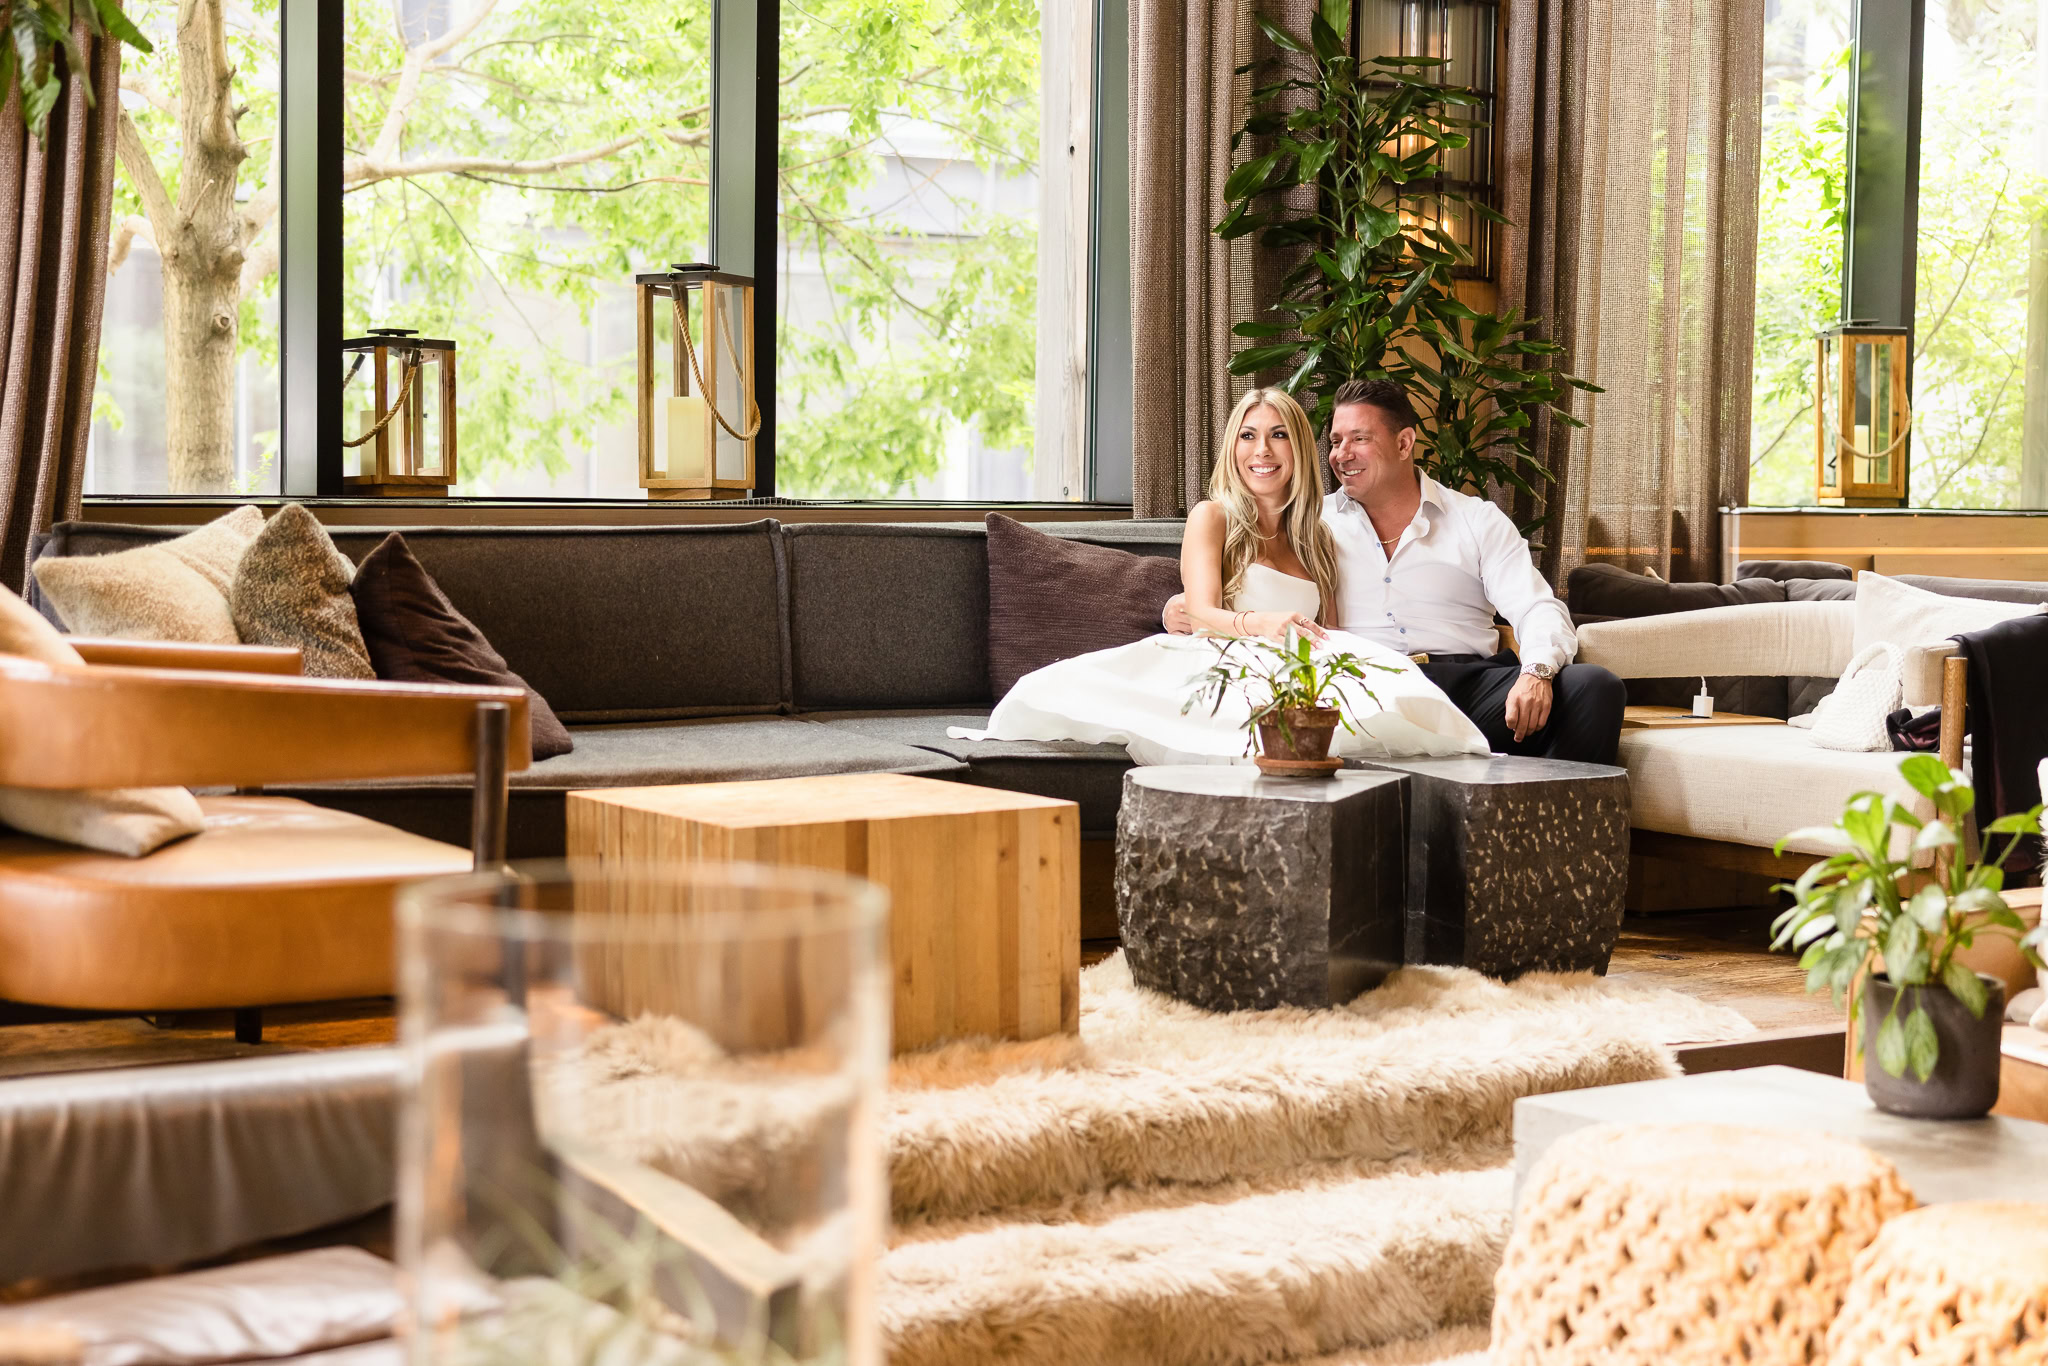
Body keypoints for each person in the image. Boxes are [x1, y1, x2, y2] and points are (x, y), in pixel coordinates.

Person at [948, 388, 1488, 765]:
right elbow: (1201, 610)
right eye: (1248, 436)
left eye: (1278, 436)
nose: (1262, 451)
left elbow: (1334, 631)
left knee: (1382, 708)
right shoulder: (1213, 516)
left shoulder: (1320, 536)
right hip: (1227, 653)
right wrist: (1262, 624)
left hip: (1298, 667)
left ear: (1298, 450)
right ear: (1233, 447)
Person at [1165, 378, 1625, 765]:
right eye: (1336, 442)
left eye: (1359, 439)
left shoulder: (1475, 520)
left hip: (1471, 684)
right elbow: (1238, 573)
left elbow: (1536, 606)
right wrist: (1177, 606)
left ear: (1404, 443)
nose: (1342, 454)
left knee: (1594, 687)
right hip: (1370, 688)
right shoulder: (1310, 523)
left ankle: (1550, 835)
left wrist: (1537, 672)